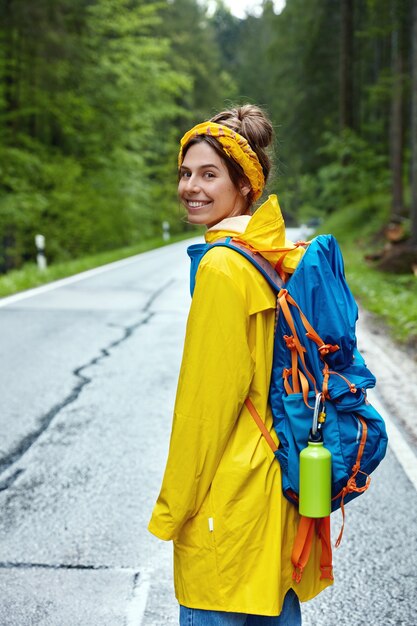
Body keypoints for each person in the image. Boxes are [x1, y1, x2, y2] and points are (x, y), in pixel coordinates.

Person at [148, 105, 332, 624]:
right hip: (276, 492)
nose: (190, 187)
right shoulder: (268, 254)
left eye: (209, 175)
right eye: (185, 173)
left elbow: (204, 411)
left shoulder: (223, 269)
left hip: (228, 505)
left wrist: (172, 512)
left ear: (245, 186)